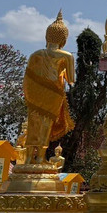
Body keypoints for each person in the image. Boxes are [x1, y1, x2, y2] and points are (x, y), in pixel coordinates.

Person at [22, 11, 75, 163]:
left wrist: (30, 96)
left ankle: (27, 159)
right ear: (64, 39)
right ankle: (40, 158)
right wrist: (62, 73)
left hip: (36, 92)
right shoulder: (66, 56)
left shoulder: (36, 54)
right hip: (53, 93)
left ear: (47, 36)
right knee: (46, 123)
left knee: (33, 122)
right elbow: (71, 80)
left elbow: (27, 78)